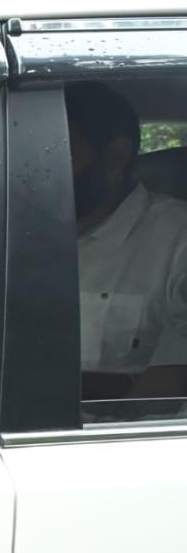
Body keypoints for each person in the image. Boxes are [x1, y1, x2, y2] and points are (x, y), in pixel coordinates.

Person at [67, 82, 187, 398]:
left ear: (116, 154)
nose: (38, 168)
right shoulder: (9, 232)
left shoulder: (177, 241)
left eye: (59, 148)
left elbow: (170, 386)